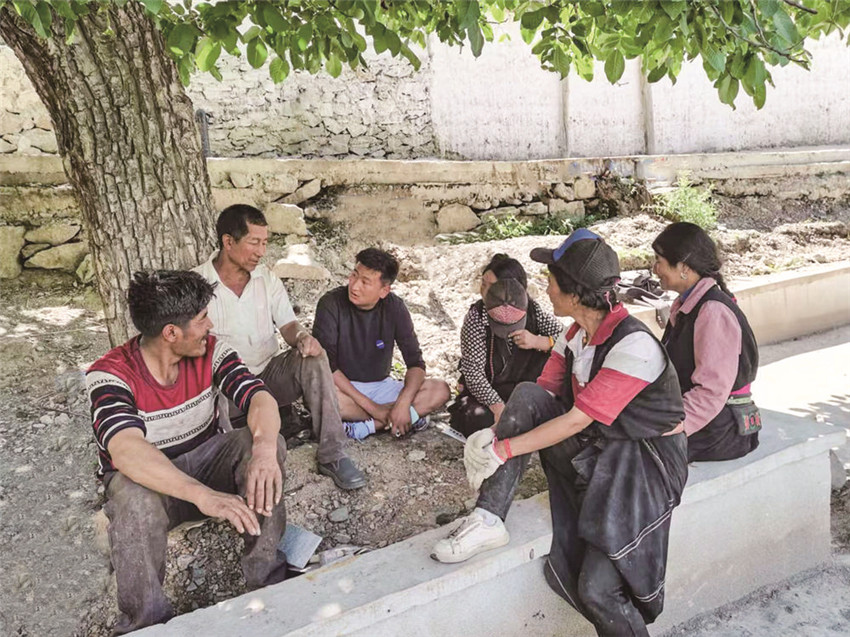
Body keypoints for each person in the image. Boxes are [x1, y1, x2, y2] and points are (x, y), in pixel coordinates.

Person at [432, 229, 688, 637]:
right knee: (527, 393)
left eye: (551, 279)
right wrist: (494, 434)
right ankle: (489, 517)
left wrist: (502, 450)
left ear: (574, 292)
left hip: (642, 466)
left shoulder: (633, 346)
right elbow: (539, 396)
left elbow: (575, 421)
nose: (545, 287)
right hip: (602, 450)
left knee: (598, 589)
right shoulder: (573, 335)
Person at [86, 271, 287, 634]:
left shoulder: (212, 350)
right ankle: (145, 624)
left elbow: (259, 397)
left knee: (260, 444)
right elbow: (127, 452)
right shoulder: (110, 374)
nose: (210, 326)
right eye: (201, 319)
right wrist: (202, 495)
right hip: (153, 485)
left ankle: (268, 578)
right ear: (171, 333)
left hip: (208, 462)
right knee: (131, 494)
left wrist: (264, 449)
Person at [195, 204, 365, 490]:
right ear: (228, 242)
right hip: (225, 390)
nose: (261, 251)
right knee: (209, 379)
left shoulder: (266, 278)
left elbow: (288, 325)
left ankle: (332, 453)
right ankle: (227, 459)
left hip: (267, 378)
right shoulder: (198, 284)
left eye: (265, 242)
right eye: (254, 242)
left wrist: (302, 338)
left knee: (314, 357)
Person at [312, 247, 450, 440]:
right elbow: (327, 365)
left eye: (365, 282)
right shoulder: (331, 304)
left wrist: (403, 402)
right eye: (354, 275)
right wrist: (374, 408)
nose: (354, 286)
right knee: (319, 397)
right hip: (344, 388)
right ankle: (408, 418)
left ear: (384, 290)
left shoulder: (395, 307)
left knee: (440, 389)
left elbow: (415, 364)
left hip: (382, 386)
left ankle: (368, 427)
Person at [652, 221, 760, 461]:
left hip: (721, 429)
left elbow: (710, 392)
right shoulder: (688, 305)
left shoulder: (712, 311)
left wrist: (667, 426)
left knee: (633, 448)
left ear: (683, 267)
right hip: (707, 420)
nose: (654, 269)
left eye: (659, 261)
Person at [448, 254, 563, 436]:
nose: (485, 291)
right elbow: (473, 373)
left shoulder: (533, 311)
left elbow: (567, 339)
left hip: (527, 390)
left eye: (493, 287)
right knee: (477, 419)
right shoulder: (477, 318)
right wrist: (497, 407)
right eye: (483, 284)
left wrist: (539, 341)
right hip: (492, 393)